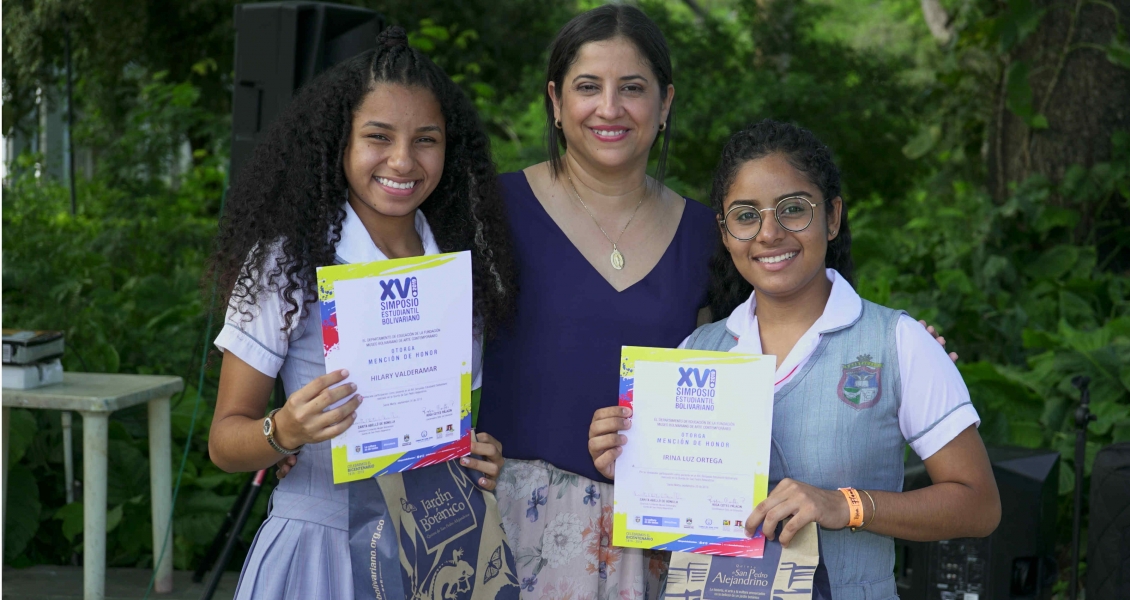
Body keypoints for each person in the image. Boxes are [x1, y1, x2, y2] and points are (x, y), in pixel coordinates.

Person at [587, 120, 1001, 600]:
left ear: (832, 216)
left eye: (793, 210)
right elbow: (672, 519)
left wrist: (844, 505)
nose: (769, 233)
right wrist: (633, 460)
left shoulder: (898, 342)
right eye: (746, 216)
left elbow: (979, 505)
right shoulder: (697, 352)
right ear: (725, 233)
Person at [207, 26, 514, 599]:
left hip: (436, 549)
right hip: (317, 547)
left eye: (427, 139)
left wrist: (475, 455)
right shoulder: (285, 262)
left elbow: (445, 422)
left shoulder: (458, 271)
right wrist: (285, 432)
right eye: (378, 136)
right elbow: (225, 441)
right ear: (338, 142)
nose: (403, 159)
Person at [477, 6, 709, 599]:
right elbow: (408, 343)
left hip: (660, 538)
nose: (610, 108)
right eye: (588, 87)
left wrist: (886, 348)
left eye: (632, 88)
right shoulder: (488, 213)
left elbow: (768, 353)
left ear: (665, 103)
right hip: (512, 532)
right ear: (555, 101)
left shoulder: (710, 236)